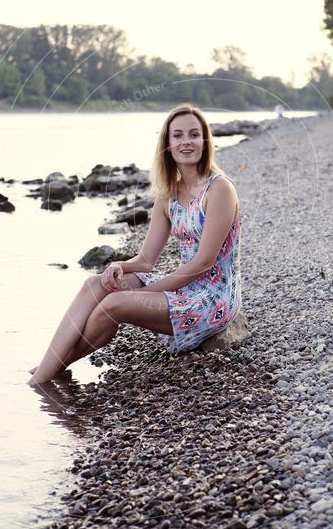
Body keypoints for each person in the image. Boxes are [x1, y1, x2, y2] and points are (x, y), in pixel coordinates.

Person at [28, 104, 242, 385]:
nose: (186, 141)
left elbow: (203, 263)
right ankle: (48, 366)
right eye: (177, 135)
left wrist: (147, 292)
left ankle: (44, 375)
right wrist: (119, 265)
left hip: (212, 298)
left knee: (114, 304)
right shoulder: (169, 195)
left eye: (194, 134)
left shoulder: (219, 189)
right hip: (184, 287)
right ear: (167, 144)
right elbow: (146, 260)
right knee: (96, 285)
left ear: (205, 141)